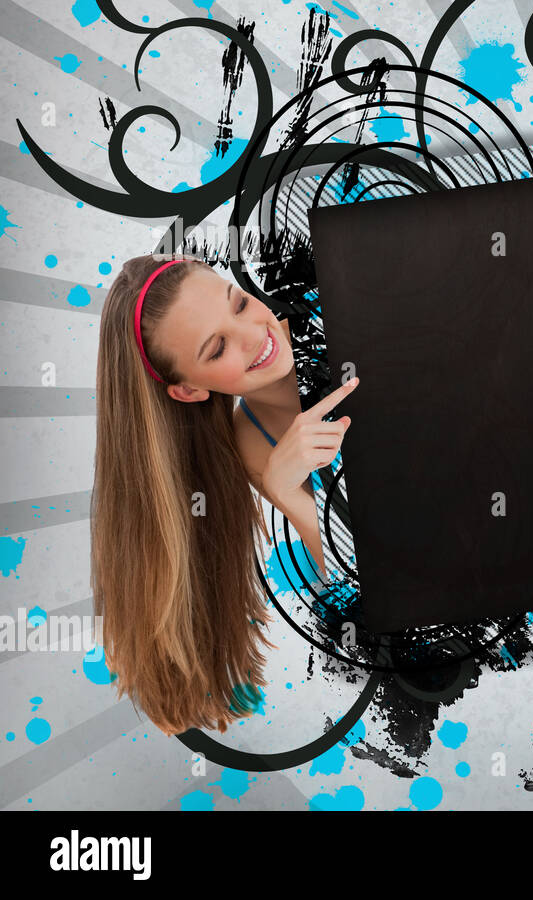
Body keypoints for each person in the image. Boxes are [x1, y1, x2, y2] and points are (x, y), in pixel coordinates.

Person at [90, 253, 359, 734]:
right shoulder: (256, 450)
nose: (256, 335)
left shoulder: (331, 297)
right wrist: (288, 493)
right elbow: (368, 580)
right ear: (190, 391)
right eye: (217, 350)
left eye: (239, 304)